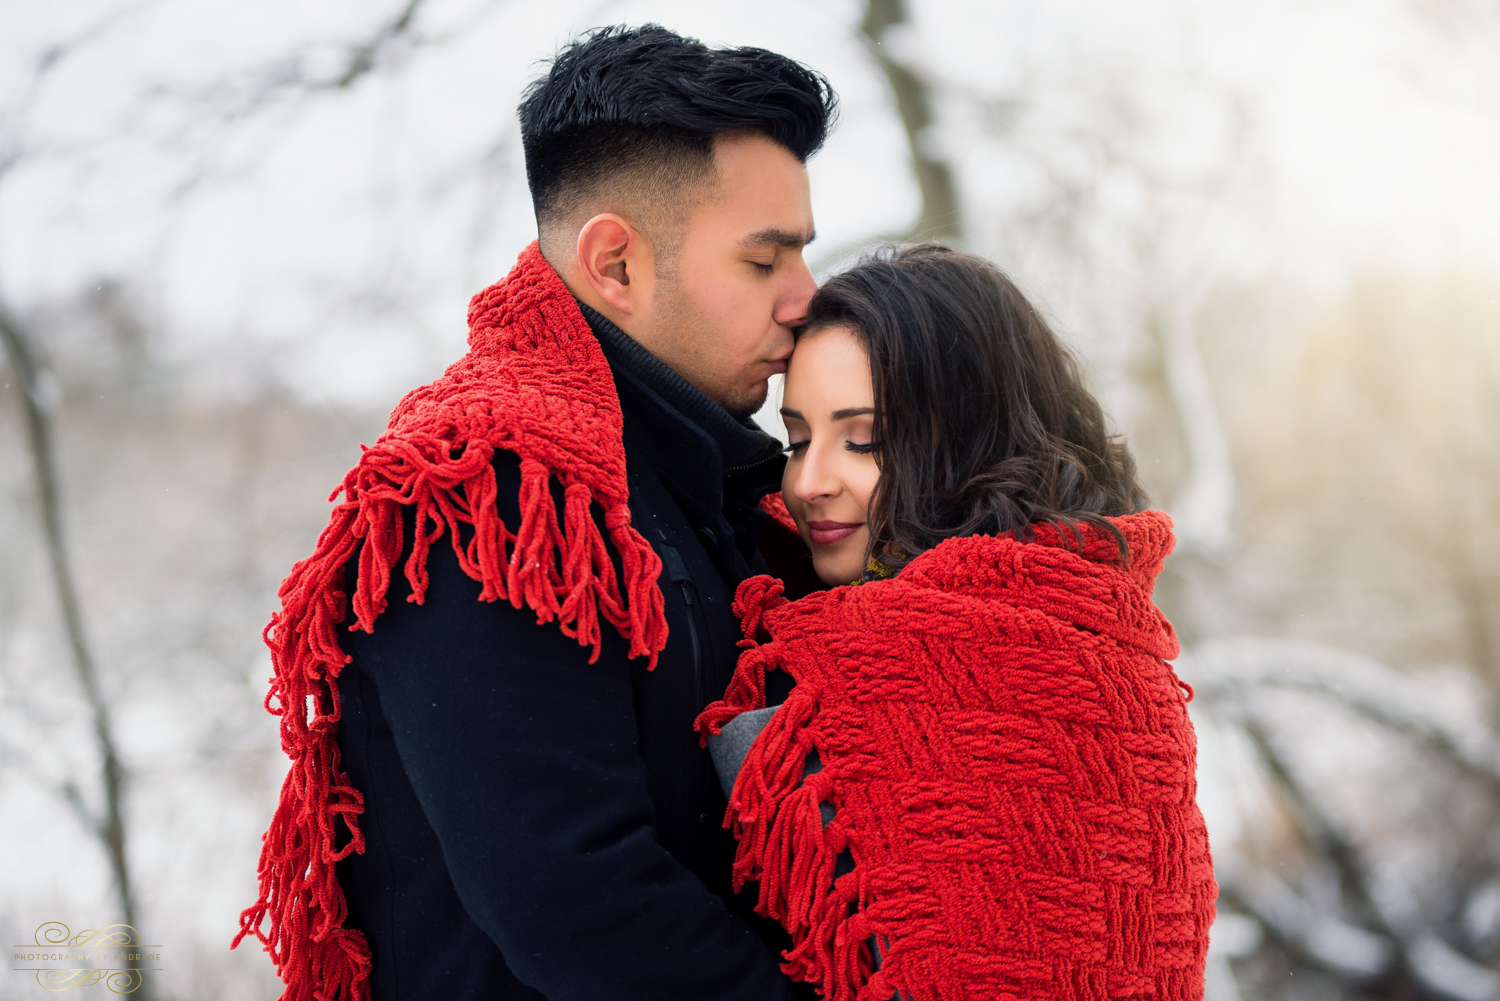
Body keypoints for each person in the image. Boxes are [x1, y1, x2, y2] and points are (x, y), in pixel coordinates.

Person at [233, 25, 837, 1001]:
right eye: (766, 262)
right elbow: (585, 901)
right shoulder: (488, 500)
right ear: (617, 263)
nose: (806, 300)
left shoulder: (725, 490)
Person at [698, 244, 1217, 1001]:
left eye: (864, 439)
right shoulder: (1118, 637)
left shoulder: (871, 669)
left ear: (969, 435)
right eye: (799, 439)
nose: (809, 481)